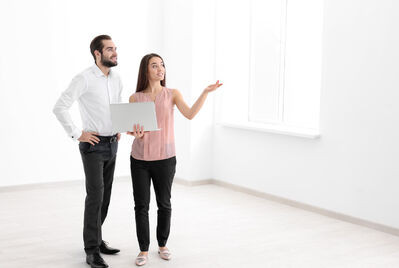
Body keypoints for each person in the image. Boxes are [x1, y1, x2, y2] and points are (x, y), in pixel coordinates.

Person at [128, 53, 222, 266]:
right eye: (154, 66)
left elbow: (189, 114)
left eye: (162, 65)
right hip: (140, 159)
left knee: (164, 204)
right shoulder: (135, 98)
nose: (160, 69)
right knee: (141, 205)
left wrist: (205, 93)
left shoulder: (172, 94)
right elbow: (133, 129)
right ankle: (143, 249)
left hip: (165, 159)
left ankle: (162, 245)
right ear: (145, 71)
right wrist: (135, 133)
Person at [53, 35, 122, 268]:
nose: (115, 52)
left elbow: (117, 107)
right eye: (110, 49)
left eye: (115, 49)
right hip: (93, 146)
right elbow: (60, 107)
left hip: (113, 143)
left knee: (106, 197)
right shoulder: (83, 78)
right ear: (97, 53)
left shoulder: (116, 78)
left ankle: (98, 239)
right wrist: (77, 133)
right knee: (95, 197)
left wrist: (119, 126)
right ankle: (91, 250)